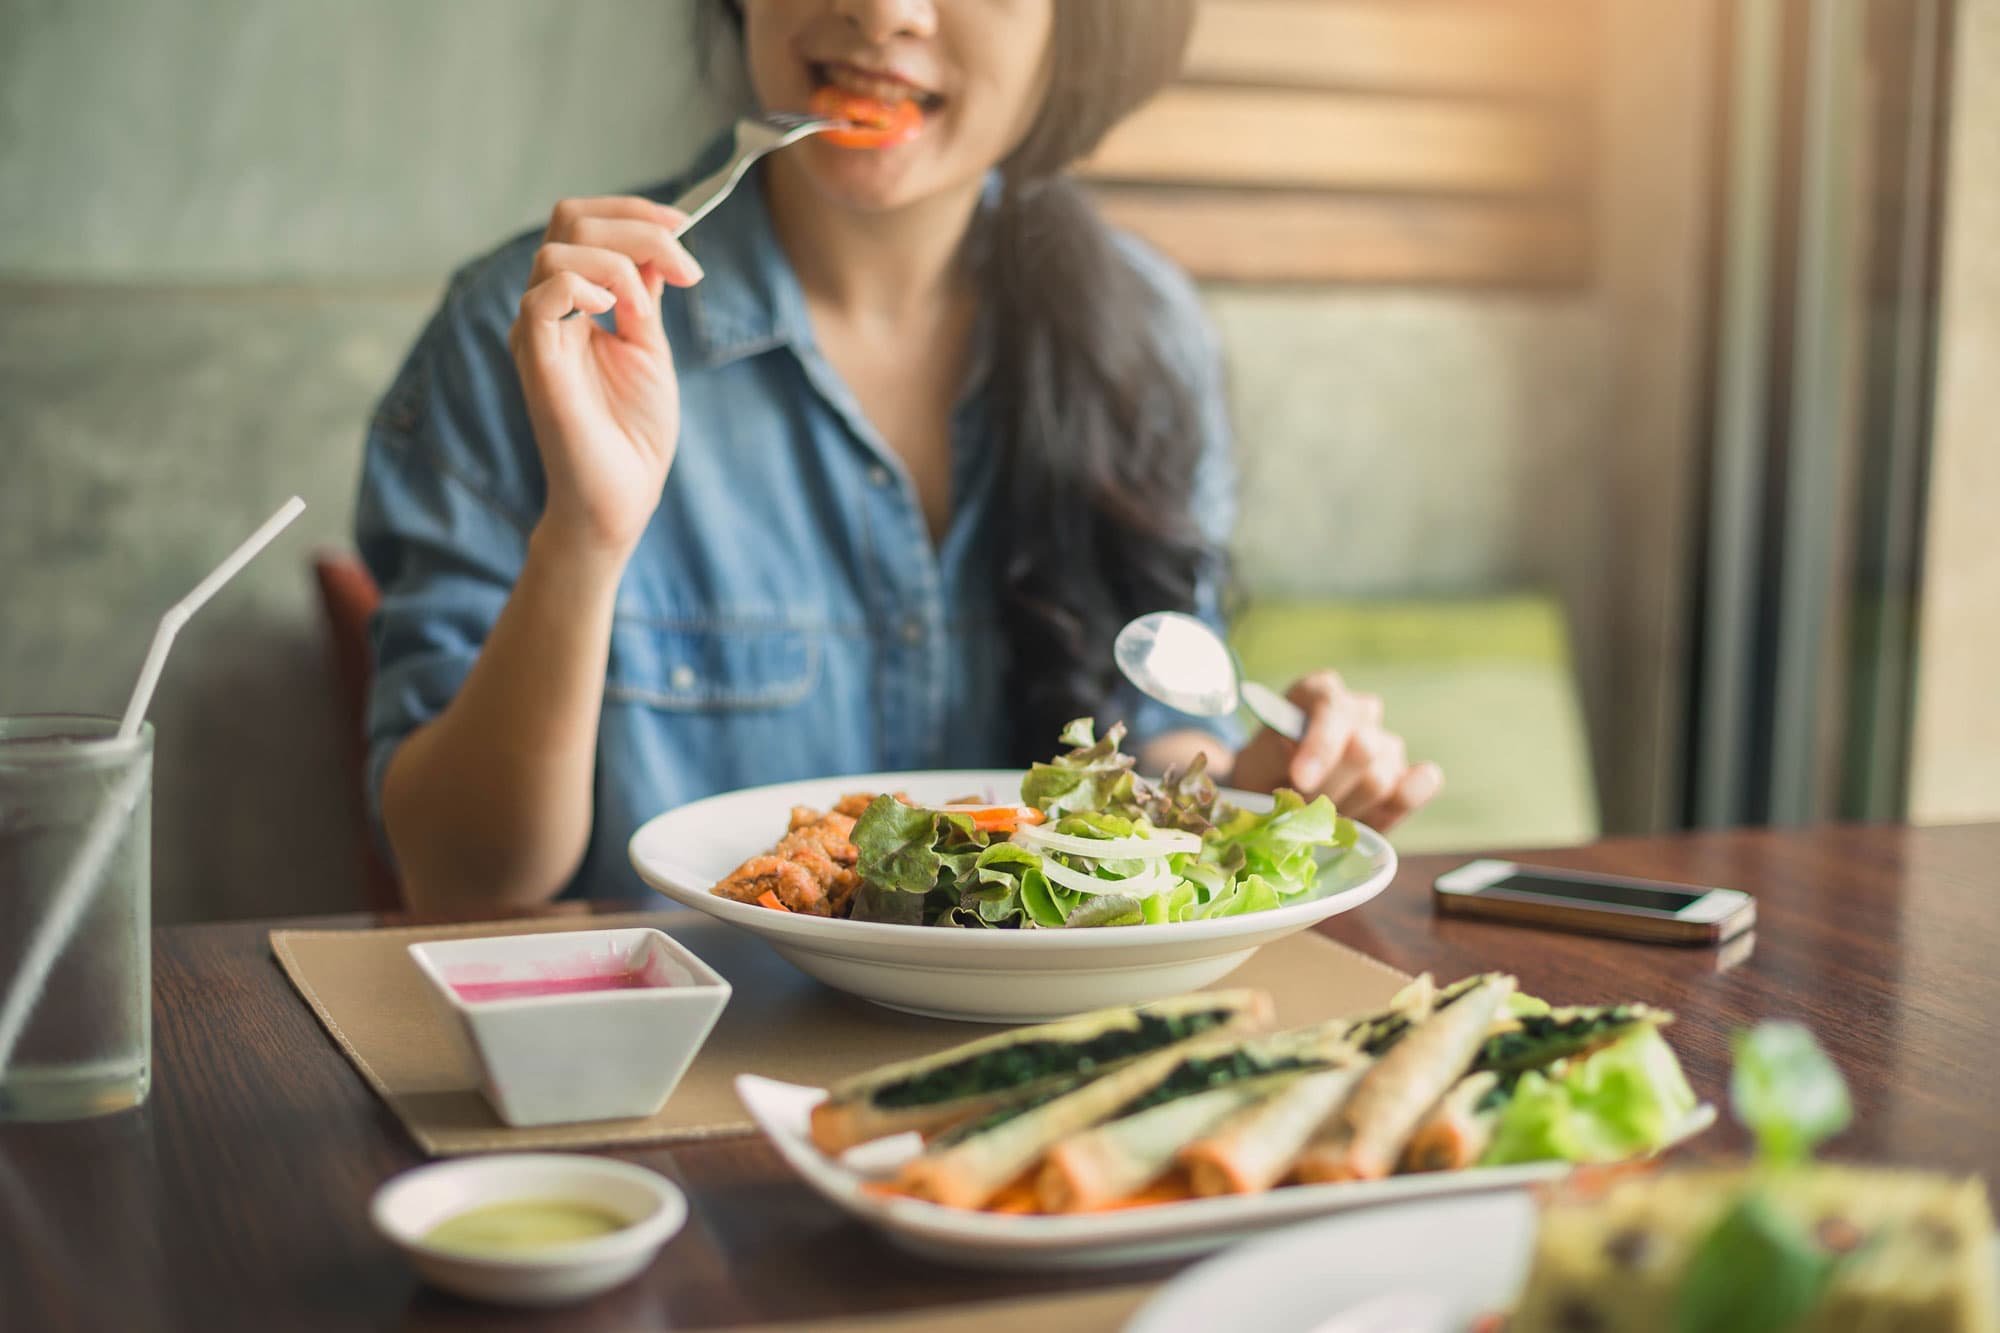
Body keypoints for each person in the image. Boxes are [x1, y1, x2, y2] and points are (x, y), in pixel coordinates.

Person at [355, 0, 1442, 913]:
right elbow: (458, 882)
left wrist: (1255, 792)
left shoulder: (1143, 336)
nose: (882, 11)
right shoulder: (542, 329)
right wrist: (581, 542)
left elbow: (1150, 752)